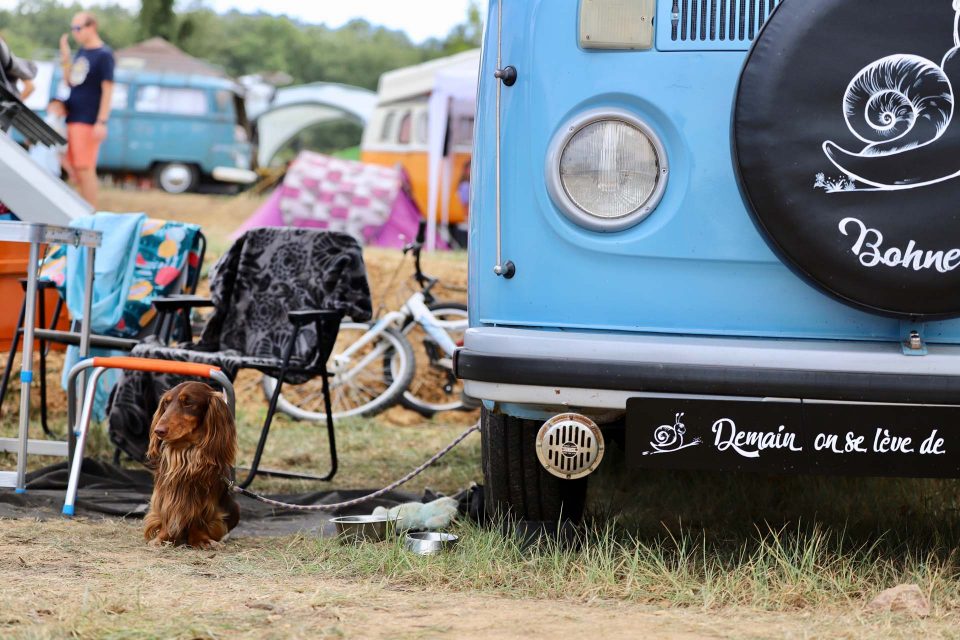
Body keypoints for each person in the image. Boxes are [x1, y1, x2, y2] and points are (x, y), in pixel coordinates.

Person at [60, 11, 114, 208]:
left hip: (88, 119)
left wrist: (101, 121)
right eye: (73, 29)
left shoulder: (104, 55)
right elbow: (70, 81)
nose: (75, 33)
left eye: (78, 28)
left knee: (85, 167)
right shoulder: (82, 53)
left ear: (91, 27)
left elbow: (108, 90)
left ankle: (91, 214)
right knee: (74, 168)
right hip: (73, 115)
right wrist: (66, 58)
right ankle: (82, 209)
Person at [28, 98, 68, 179]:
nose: (55, 109)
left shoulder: (62, 129)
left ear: (64, 112)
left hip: (51, 165)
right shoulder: (41, 121)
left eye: (59, 107)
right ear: (48, 108)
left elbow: (63, 150)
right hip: (36, 161)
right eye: (53, 106)